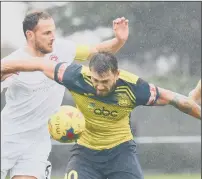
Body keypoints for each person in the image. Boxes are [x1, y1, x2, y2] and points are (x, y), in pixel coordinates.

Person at [1, 52, 201, 179]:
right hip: (85, 154)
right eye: (95, 80)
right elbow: (39, 63)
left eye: (104, 81)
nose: (98, 86)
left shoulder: (135, 88)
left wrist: (196, 107)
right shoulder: (76, 76)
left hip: (121, 152)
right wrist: (5, 68)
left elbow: (178, 100)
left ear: (116, 74)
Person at [0, 9, 129, 179]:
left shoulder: (61, 49)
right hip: (7, 138)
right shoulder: (12, 62)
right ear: (30, 35)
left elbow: (98, 50)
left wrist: (119, 40)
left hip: (37, 143)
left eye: (53, 31)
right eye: (46, 33)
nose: (52, 36)